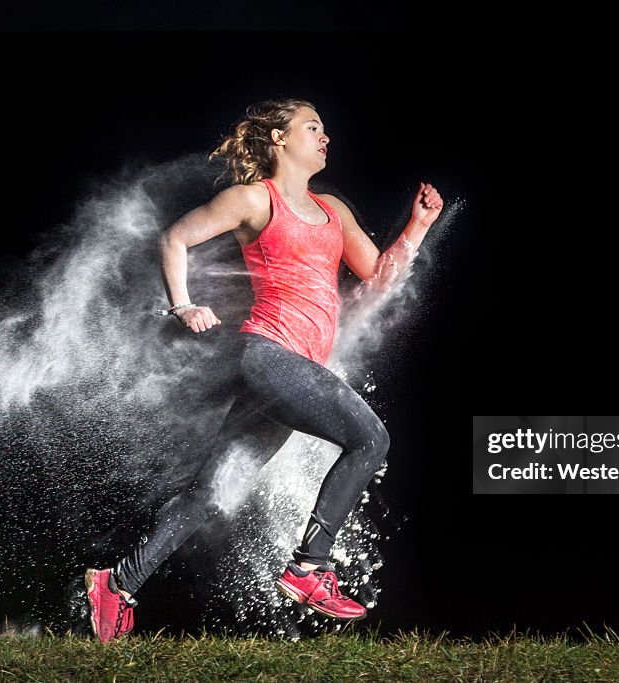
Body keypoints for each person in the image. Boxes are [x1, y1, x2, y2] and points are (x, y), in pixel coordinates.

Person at [83, 98, 444, 643]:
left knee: (209, 492)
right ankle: (308, 567)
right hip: (270, 356)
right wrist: (183, 304)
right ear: (278, 138)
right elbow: (175, 238)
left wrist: (417, 227)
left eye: (324, 129)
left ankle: (117, 584)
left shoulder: (333, 211)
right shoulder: (254, 199)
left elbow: (378, 276)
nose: (325, 137)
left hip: (290, 369)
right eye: (312, 127)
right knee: (371, 439)